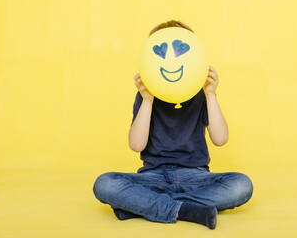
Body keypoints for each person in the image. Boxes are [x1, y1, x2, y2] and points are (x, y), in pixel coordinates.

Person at [93, 20, 253, 230]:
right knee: (104, 184)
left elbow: (220, 139)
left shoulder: (201, 94)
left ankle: (144, 206)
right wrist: (147, 100)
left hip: (195, 176)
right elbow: (136, 144)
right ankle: (185, 210)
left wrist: (211, 94)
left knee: (241, 185)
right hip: (152, 177)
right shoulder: (145, 97)